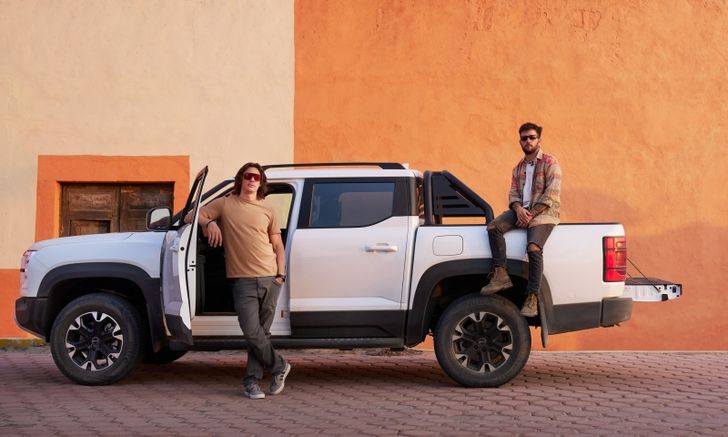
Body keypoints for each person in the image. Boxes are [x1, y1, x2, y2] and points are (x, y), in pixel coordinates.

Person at [188, 162, 290, 399]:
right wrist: (209, 222)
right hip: (242, 280)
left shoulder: (269, 210)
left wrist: (280, 275)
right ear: (241, 179)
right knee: (252, 332)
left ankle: (252, 382)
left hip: (270, 278)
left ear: (261, 182)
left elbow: (278, 245)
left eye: (256, 177)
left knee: (262, 334)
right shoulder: (225, 204)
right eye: (248, 176)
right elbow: (192, 216)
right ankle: (280, 366)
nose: (252, 180)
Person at [480, 122, 562, 317]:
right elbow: (513, 194)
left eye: (532, 137)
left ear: (539, 140)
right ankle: (501, 275)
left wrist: (530, 214)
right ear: (520, 141)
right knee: (493, 227)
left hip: (544, 213)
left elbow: (551, 194)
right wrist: (518, 210)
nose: (528, 141)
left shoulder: (550, 162)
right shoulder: (518, 168)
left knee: (533, 247)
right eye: (524, 138)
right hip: (521, 211)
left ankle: (532, 297)